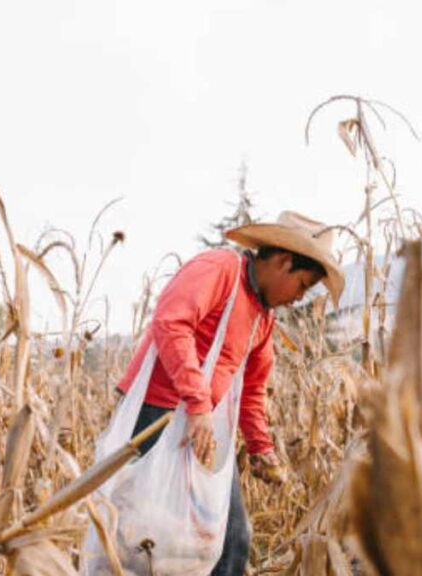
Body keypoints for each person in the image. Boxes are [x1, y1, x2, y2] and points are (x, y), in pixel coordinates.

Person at [114, 211, 344, 575]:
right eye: (302, 285)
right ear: (284, 262)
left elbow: (252, 391)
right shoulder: (219, 269)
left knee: (230, 539)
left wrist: (261, 450)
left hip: (199, 424)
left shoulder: (262, 319)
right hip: (153, 414)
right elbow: (171, 323)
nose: (300, 298)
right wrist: (198, 403)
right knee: (140, 537)